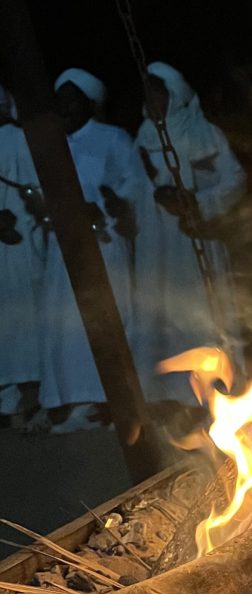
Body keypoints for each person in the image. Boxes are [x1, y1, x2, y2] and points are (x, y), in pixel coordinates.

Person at [131, 62, 246, 405]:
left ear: (174, 94)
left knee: (207, 307)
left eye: (158, 92)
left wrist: (198, 202)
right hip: (159, 243)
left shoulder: (203, 133)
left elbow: (234, 179)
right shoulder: (142, 138)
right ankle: (179, 393)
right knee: (165, 308)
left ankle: (223, 385)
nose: (152, 100)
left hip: (197, 238)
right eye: (147, 92)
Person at [38, 69, 139, 433]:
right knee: (67, 324)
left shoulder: (113, 139)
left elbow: (133, 186)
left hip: (104, 245)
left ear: (88, 103)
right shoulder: (51, 144)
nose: (64, 107)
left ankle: (113, 403)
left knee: (107, 316)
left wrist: (113, 205)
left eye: (71, 99)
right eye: (59, 100)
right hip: (64, 248)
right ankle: (77, 401)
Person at [0, 86, 47, 423]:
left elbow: (39, 188)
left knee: (25, 313)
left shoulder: (22, 138)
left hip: (23, 242)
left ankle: (33, 392)